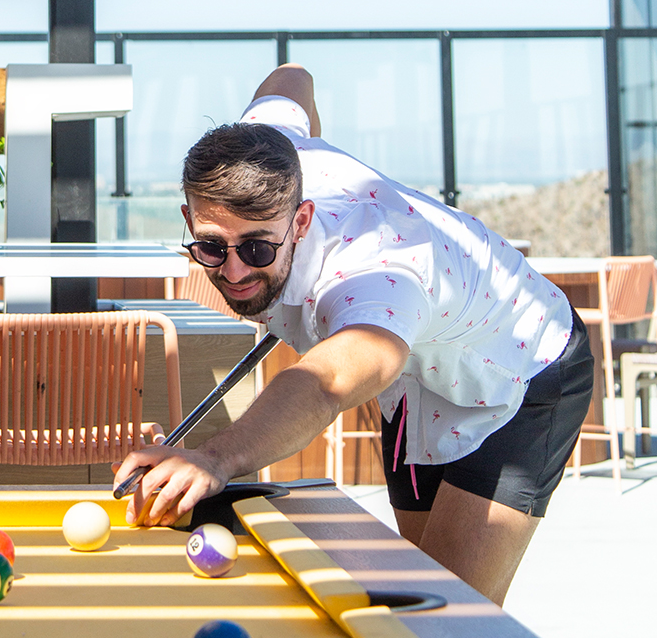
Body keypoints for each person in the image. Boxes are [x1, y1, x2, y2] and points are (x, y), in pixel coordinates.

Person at [115, 64, 592, 605]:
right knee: (419, 592)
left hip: (522, 367)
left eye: (257, 249)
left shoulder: (374, 278)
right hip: (423, 376)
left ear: (300, 221)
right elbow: (290, 79)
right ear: (188, 217)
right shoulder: (265, 150)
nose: (234, 272)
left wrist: (214, 458)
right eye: (210, 246)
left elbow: (327, 382)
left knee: (452, 615)